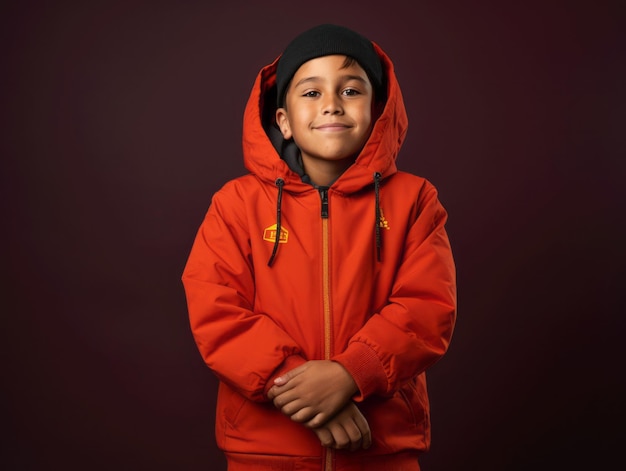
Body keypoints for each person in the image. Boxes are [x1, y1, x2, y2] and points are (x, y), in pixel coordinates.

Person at [181, 23, 457, 471]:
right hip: (263, 451)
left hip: (382, 448)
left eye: (351, 90)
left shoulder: (415, 201)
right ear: (283, 120)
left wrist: (351, 375)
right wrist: (300, 389)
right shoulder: (236, 204)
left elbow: (429, 307)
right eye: (311, 93)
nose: (331, 103)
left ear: (378, 110)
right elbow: (216, 310)